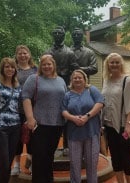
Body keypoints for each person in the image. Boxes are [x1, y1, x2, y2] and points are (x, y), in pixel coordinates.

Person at [22, 54, 67, 183]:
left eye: (49, 64)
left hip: (57, 124)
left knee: (49, 157)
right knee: (39, 158)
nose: (47, 66)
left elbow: (65, 100)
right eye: (44, 64)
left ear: (53, 65)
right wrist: (30, 118)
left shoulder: (61, 80)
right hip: (39, 124)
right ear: (40, 66)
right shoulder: (33, 79)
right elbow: (25, 97)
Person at [62, 69, 104, 183]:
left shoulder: (92, 90)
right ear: (71, 80)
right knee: (75, 164)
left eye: (80, 77)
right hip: (74, 133)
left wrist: (87, 116)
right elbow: (63, 110)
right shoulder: (68, 95)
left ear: (85, 79)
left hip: (91, 131)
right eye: (74, 78)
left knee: (92, 162)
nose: (77, 79)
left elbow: (100, 103)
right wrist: (73, 118)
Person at [101, 53, 130, 183]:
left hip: (123, 128)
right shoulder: (106, 80)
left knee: (126, 158)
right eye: (112, 62)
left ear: (121, 64)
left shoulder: (127, 80)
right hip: (109, 127)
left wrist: (128, 124)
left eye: (117, 62)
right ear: (107, 64)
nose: (114, 65)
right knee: (115, 159)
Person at [0, 57, 21, 183]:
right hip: (0, 128)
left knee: (8, 164)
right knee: (4, 164)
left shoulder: (17, 86)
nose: (10, 69)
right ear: (2, 69)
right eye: (7, 66)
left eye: (12, 67)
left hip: (15, 127)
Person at [45, 25, 79, 152]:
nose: (58, 35)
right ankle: (50, 146)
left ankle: (67, 145)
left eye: (60, 33)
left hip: (65, 86)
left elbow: (75, 69)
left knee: (67, 115)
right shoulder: (47, 52)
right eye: (56, 33)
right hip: (49, 86)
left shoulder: (70, 52)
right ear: (53, 35)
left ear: (64, 35)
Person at [11, 45, 37, 175]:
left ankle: (31, 163)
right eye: (20, 53)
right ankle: (16, 165)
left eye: (25, 53)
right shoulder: (12, 69)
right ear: (16, 55)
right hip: (16, 109)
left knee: (32, 138)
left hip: (33, 109)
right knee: (17, 139)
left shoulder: (36, 70)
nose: (22, 55)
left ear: (29, 55)